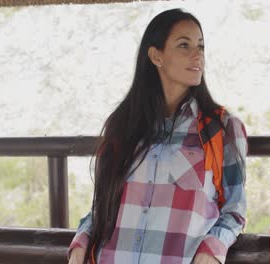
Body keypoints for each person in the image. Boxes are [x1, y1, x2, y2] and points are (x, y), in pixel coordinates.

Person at [68, 8, 247, 264]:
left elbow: (235, 210)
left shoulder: (222, 128)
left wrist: (213, 248)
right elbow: (102, 205)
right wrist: (82, 239)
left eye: (201, 46)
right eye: (184, 45)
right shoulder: (122, 126)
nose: (197, 55)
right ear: (156, 56)